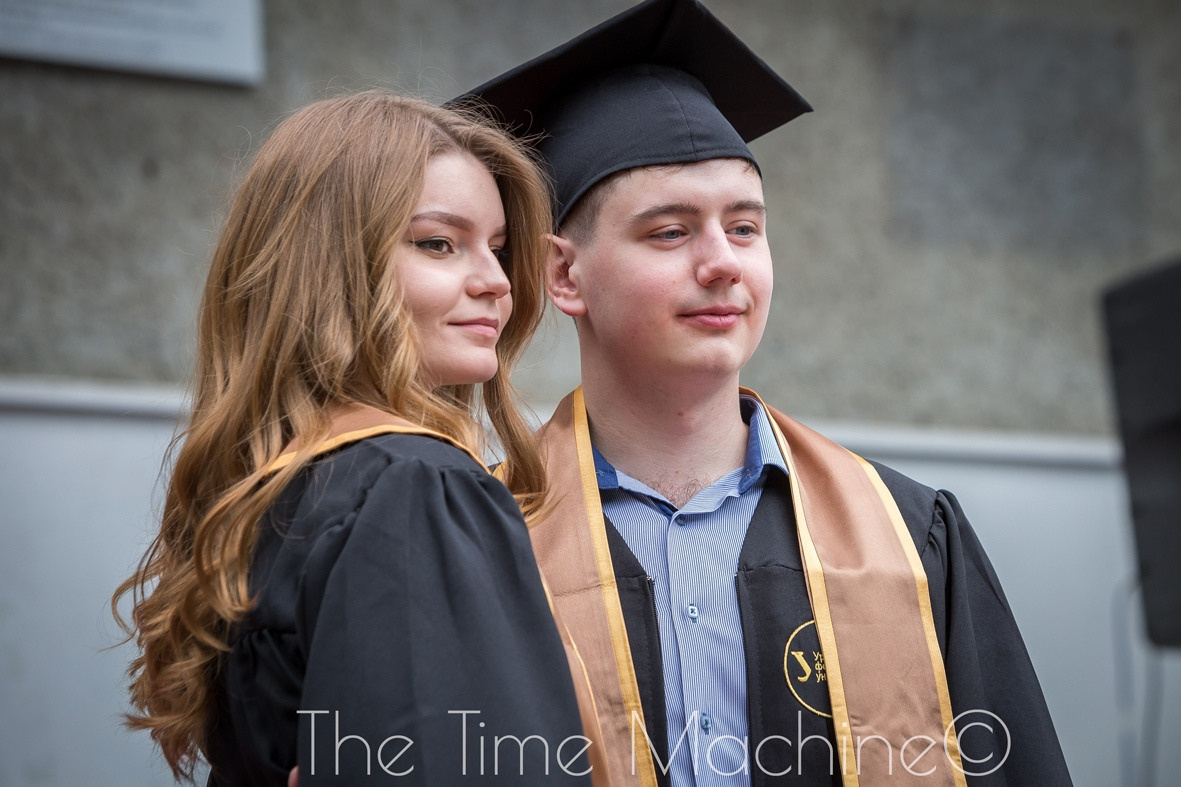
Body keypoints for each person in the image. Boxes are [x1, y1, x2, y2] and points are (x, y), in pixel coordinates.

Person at [458, 0, 1074, 784]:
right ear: (563, 275)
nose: (723, 263)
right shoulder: (483, 539)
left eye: (744, 228)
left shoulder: (907, 535)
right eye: (670, 231)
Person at [112, 90, 598, 785]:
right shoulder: (415, 484)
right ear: (334, 267)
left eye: (496, 248)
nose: (496, 282)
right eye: (438, 243)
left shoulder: (278, 490)